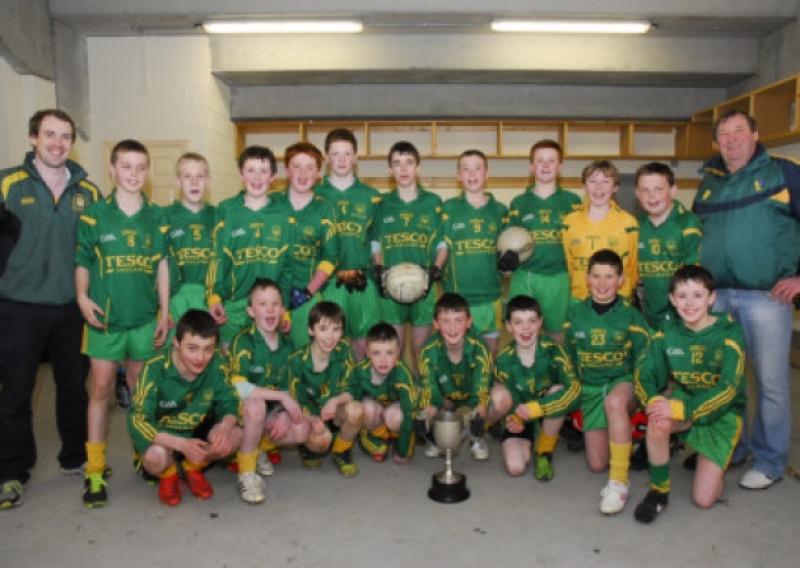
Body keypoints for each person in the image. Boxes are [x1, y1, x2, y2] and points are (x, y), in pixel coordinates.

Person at [693, 109, 800, 490]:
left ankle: (770, 460)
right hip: (717, 297)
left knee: (770, 384)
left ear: (755, 135)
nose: (731, 139)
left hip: (766, 297)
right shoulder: (709, 182)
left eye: (739, 131)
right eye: (724, 133)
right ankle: (731, 446)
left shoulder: (784, 172)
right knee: (727, 381)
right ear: (716, 141)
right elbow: (695, 237)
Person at [0, 109, 100, 509]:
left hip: (70, 308)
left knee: (74, 388)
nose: (58, 143)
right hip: (17, 307)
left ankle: (74, 457)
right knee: (16, 392)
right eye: (49, 135)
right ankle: (10, 470)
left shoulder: (88, 192)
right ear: (32, 138)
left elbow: (94, 251)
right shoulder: (8, 183)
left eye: (65, 136)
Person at [75, 139, 170, 508]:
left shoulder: (157, 216)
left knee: (139, 389)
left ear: (147, 172)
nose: (133, 174)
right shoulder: (94, 215)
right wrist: (82, 296)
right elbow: (82, 261)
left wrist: (165, 311)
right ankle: (95, 469)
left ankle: (142, 454)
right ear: (112, 170)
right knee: (100, 389)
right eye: (126, 166)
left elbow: (162, 265)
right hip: (105, 321)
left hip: (145, 320)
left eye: (140, 167)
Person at [633, 266, 746, 523]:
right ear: (672, 299)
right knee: (657, 420)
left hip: (723, 414)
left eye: (697, 295)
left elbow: (728, 389)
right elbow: (644, 373)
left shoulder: (730, 333)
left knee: (704, 500)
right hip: (686, 401)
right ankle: (658, 491)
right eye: (682, 296)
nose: (690, 303)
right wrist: (654, 399)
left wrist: (681, 410)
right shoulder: (667, 331)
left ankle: (710, 458)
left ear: (711, 297)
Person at [563, 249, 650, 514]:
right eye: (596, 276)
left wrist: (645, 396)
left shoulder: (632, 316)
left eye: (609, 277)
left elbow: (644, 361)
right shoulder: (575, 313)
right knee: (597, 464)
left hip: (621, 383)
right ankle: (628, 435)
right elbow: (568, 357)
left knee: (615, 402)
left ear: (621, 280)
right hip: (591, 389)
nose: (602, 284)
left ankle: (619, 482)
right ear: (587, 278)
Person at [128, 310, 243, 507]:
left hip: (195, 434)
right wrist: (181, 445)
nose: (201, 357)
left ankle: (192, 468)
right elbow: (138, 420)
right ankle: (169, 474)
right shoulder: (154, 368)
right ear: (176, 343)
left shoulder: (216, 363)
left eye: (208, 349)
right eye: (192, 348)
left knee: (236, 435)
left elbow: (230, 402)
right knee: (156, 457)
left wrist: (224, 428)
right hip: (165, 440)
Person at [228, 279, 306, 504]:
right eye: (262, 304)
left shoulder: (289, 346)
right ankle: (246, 472)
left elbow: (294, 388)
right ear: (251, 311)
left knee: (301, 429)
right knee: (255, 405)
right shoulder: (243, 341)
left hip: (269, 413)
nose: (270, 309)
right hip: (239, 414)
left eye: (275, 303)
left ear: (283, 310)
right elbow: (240, 388)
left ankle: (258, 447)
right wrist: (281, 397)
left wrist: (283, 412)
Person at [206, 145, 293, 347]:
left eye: (263, 171)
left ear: (272, 177)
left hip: (270, 308)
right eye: (250, 170)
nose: (256, 177)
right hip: (234, 305)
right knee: (231, 367)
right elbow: (216, 258)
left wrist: (284, 308)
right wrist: (213, 297)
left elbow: (287, 268)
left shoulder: (283, 216)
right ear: (240, 174)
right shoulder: (226, 210)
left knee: (265, 366)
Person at [371, 141, 447, 369]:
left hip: (423, 284)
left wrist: (436, 269)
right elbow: (375, 241)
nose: (403, 169)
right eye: (397, 163)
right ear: (390, 170)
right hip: (390, 286)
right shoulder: (381, 204)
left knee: (421, 351)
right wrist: (378, 267)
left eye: (409, 163)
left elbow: (443, 242)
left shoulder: (433, 202)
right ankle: (397, 396)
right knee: (393, 349)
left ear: (418, 168)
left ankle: (423, 396)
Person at [494, 295, 580, 480]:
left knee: (558, 389)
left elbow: (574, 390)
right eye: (518, 322)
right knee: (515, 468)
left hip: (547, 414)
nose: (526, 328)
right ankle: (528, 439)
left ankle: (544, 451)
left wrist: (537, 408)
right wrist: (512, 418)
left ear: (540, 322)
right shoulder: (503, 359)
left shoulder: (555, 351)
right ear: (508, 326)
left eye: (532, 321)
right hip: (521, 418)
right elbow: (509, 398)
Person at [317, 128, 382, 360]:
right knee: (329, 342)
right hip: (328, 282)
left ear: (356, 157)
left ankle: (360, 389)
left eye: (347, 153)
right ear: (326, 157)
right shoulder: (315, 194)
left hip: (362, 281)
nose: (342, 159)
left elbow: (376, 240)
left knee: (363, 343)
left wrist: (378, 271)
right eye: (336, 154)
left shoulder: (372, 196)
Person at [506, 139, 582, 338]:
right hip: (526, 276)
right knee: (523, 333)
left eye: (551, 160)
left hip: (559, 277)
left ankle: (557, 368)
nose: (546, 165)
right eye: (540, 161)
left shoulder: (573, 202)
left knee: (558, 335)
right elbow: (507, 243)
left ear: (560, 166)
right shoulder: (519, 203)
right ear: (532, 167)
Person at [441, 149, 508, 354]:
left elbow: (507, 258)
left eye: (477, 168)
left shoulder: (500, 211)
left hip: (490, 298)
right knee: (456, 352)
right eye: (466, 169)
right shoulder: (447, 209)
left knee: (490, 352)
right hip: (456, 298)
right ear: (458, 175)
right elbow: (440, 249)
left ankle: (487, 387)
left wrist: (509, 265)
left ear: (487, 173)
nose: (472, 174)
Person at [273, 142, 339, 348]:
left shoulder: (325, 209)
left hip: (306, 296)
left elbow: (330, 258)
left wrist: (307, 293)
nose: (303, 173)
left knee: (305, 358)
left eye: (310, 167)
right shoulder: (270, 204)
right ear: (286, 171)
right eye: (296, 166)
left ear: (318, 173)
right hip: (270, 298)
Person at [288, 301, 363, 477]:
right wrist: (313, 420)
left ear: (342, 331)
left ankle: (341, 451)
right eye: (323, 329)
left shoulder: (344, 349)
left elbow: (353, 389)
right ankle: (308, 448)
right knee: (321, 441)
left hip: (333, 410)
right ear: (310, 330)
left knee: (356, 410)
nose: (330, 336)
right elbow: (295, 402)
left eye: (336, 329)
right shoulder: (296, 360)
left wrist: (335, 401)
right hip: (310, 412)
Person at [417, 293, 492, 460]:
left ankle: (476, 437)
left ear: (469, 322)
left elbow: (481, 390)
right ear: (436, 324)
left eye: (458, 320)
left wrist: (477, 416)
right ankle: (436, 438)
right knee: (418, 400)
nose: (452, 328)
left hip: (471, 395)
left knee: (499, 400)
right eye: (445, 321)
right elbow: (431, 392)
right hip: (446, 397)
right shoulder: (427, 352)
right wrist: (426, 416)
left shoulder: (480, 348)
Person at [635, 162, 702, 328]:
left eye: (658, 189)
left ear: (673, 190)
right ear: (637, 193)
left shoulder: (688, 224)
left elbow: (693, 279)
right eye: (645, 190)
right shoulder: (635, 226)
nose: (652, 197)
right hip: (647, 316)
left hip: (681, 317)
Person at [562, 160, 639, 301]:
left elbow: (633, 267)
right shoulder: (569, 222)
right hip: (579, 300)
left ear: (615, 187)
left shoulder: (629, 223)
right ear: (584, 186)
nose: (598, 187)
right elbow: (568, 264)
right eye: (592, 181)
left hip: (618, 300)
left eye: (605, 181)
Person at [350, 322, 417, 464]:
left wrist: (403, 450)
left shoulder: (403, 375)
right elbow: (352, 406)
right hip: (376, 409)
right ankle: (377, 437)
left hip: (395, 410)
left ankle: (399, 437)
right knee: (365, 408)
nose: (383, 360)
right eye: (376, 353)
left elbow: (409, 414)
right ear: (366, 352)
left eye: (389, 353)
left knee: (395, 416)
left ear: (398, 351)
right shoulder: (359, 372)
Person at [165, 152, 216, 326]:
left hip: (210, 300)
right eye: (188, 176)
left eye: (200, 176)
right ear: (178, 181)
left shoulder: (218, 216)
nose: (194, 182)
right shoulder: (164, 217)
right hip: (176, 302)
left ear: (208, 181)